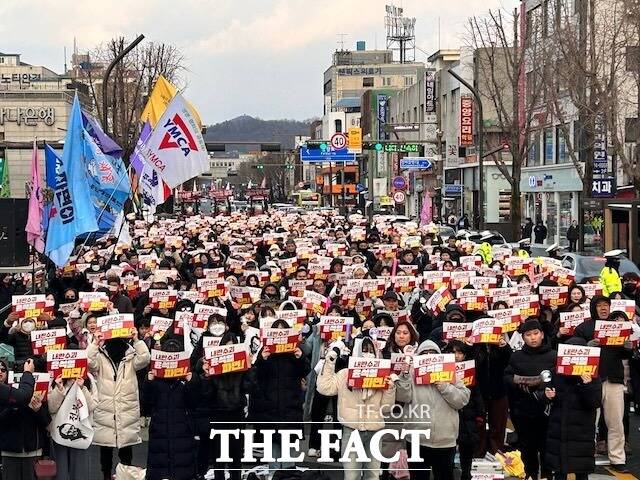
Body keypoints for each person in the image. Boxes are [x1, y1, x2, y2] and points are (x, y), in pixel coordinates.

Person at [317, 336, 396, 480]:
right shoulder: (345, 374)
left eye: (371, 351)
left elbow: (386, 408)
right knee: (351, 476)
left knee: (372, 475)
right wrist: (330, 360)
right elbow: (324, 388)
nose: (367, 354)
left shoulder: (383, 376)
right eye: (364, 350)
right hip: (351, 431)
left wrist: (390, 389)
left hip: (374, 431)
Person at [573, 295, 632, 472]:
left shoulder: (617, 327)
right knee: (589, 420)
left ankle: (617, 458)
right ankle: (585, 456)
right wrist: (587, 345)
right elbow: (573, 350)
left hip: (613, 379)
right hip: (591, 379)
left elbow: (624, 355)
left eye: (606, 305)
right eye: (599, 305)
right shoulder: (584, 327)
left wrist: (628, 349)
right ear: (593, 308)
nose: (604, 308)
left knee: (616, 421)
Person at [396, 340, 470, 480]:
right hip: (417, 438)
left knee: (444, 476)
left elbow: (462, 400)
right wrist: (404, 374)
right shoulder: (410, 374)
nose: (429, 357)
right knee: (418, 477)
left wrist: (444, 386)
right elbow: (402, 397)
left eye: (433, 354)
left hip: (445, 440)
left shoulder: (451, 374)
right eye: (425, 354)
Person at [87, 327, 151, 480]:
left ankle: (125, 476)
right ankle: (107, 476)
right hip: (106, 406)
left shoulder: (131, 354)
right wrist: (95, 343)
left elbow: (145, 358)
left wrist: (136, 340)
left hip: (126, 405)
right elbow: (89, 363)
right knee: (106, 446)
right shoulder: (101, 354)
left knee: (126, 446)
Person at [504, 319, 557, 480]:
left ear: (542, 334)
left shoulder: (553, 355)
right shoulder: (516, 357)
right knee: (527, 447)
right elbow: (507, 377)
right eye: (528, 335)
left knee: (547, 446)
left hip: (548, 411)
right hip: (523, 411)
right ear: (523, 337)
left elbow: (559, 380)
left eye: (536, 333)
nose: (533, 338)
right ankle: (530, 474)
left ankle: (547, 475)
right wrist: (521, 382)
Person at [545, 337, 602, 480]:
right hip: (558, 428)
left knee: (581, 471)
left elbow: (594, 402)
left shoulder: (592, 376)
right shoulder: (555, 373)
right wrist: (548, 395)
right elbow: (545, 395)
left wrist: (587, 385)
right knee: (559, 470)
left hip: (582, 431)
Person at [48, 373, 96, 480]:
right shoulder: (55, 377)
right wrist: (59, 389)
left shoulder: (88, 377)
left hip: (81, 433)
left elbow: (92, 405)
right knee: (60, 474)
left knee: (79, 473)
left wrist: (82, 388)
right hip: (59, 434)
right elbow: (51, 408)